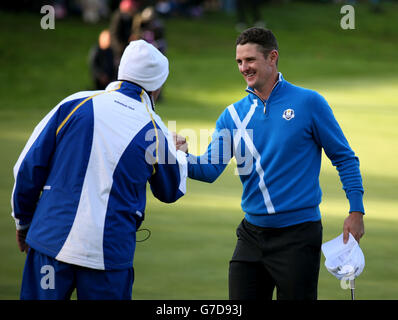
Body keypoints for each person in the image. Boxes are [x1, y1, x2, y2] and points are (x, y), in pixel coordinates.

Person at [175, 27, 365, 300]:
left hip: (298, 237)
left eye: (250, 60)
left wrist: (356, 211)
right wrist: (176, 157)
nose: (243, 68)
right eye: (239, 62)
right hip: (251, 236)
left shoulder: (309, 103)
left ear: (272, 57)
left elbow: (345, 158)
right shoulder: (232, 116)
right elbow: (208, 169)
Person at [11, 40, 187, 300]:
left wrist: (23, 222)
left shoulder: (75, 103)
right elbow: (171, 189)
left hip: (49, 241)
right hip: (109, 257)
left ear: (121, 69)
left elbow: (27, 167)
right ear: (158, 86)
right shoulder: (155, 129)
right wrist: (179, 154)